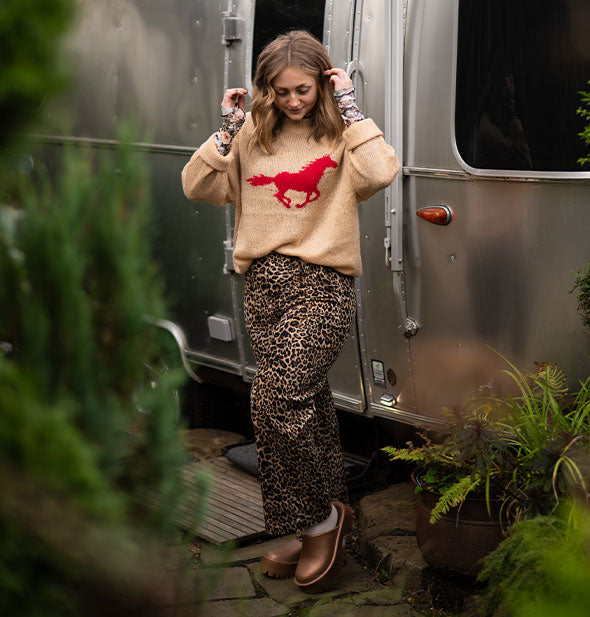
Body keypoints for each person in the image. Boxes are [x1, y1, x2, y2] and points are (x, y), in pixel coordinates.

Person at [182, 30, 399, 593]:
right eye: (281, 92)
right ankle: (313, 522)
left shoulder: (341, 135)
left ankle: (323, 521)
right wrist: (227, 128)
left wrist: (349, 107)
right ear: (266, 90)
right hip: (264, 287)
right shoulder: (252, 136)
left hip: (322, 284)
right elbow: (197, 185)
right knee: (310, 405)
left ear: (322, 83)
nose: (293, 100)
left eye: (303, 89)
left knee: (277, 400)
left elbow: (381, 172)